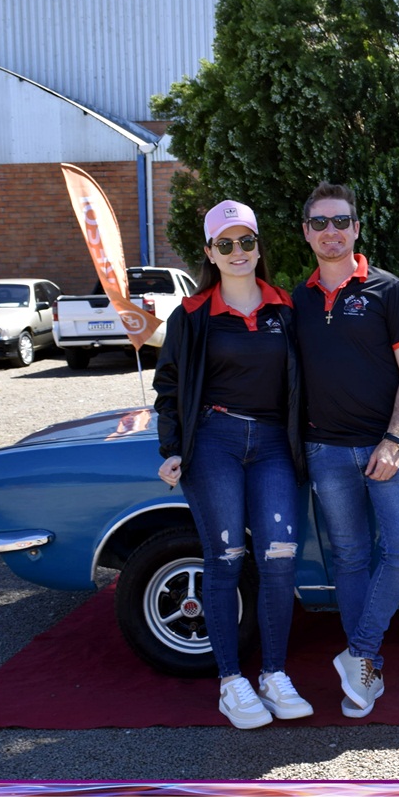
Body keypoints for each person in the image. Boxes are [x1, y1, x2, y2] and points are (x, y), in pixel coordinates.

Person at [152, 199, 312, 729]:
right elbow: (169, 387)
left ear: (258, 247)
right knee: (224, 559)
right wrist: (172, 448)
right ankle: (230, 682)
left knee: (279, 559)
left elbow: (317, 376)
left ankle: (273, 674)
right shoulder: (192, 315)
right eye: (226, 243)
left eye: (246, 241)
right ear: (210, 252)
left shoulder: (286, 309)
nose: (237, 251)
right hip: (214, 442)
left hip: (274, 445)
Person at [292, 182, 399, 719]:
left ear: (357, 228)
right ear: (306, 232)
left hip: (387, 447)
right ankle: (366, 671)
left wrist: (393, 440)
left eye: (341, 221)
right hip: (325, 451)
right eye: (320, 222)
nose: (332, 231)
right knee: (349, 558)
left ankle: (359, 652)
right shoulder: (296, 301)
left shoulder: (388, 290)